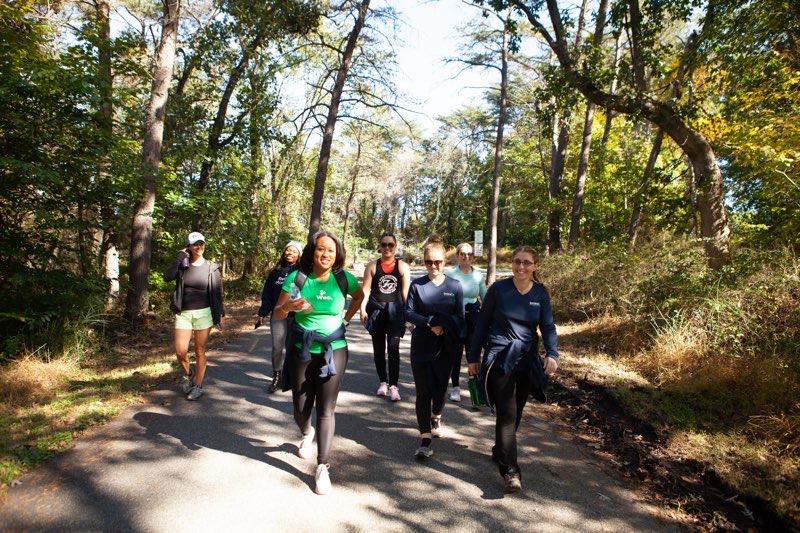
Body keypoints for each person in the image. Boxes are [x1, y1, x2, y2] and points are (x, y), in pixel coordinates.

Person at [272, 230, 364, 495]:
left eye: (331, 251)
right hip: (302, 350)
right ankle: (306, 432)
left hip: (334, 349)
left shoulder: (343, 279)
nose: (325, 254)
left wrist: (347, 318)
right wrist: (290, 307)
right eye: (321, 249)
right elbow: (279, 312)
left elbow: (358, 297)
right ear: (312, 252)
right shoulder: (297, 278)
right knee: (301, 407)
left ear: (337, 255)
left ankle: (322, 466)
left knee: (327, 408)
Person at [467, 245, 559, 493]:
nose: (521, 267)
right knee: (506, 415)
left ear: (534, 266)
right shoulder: (499, 290)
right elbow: (482, 324)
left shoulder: (540, 293)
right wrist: (473, 357)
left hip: (526, 358)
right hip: (500, 357)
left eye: (527, 262)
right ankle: (510, 471)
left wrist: (552, 353)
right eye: (517, 261)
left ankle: (500, 450)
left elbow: (548, 327)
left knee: (516, 413)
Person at [405, 236, 464, 459]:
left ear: (445, 262)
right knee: (423, 392)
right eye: (429, 262)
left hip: (445, 348)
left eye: (437, 261)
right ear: (424, 262)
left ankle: (436, 415)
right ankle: (425, 439)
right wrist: (429, 323)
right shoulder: (417, 285)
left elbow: (459, 318)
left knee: (439, 391)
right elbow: (408, 312)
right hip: (421, 345)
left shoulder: (454, 287)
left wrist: (446, 328)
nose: (433, 266)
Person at [164, 231, 225, 401]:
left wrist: (221, 314)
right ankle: (188, 374)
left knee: (199, 350)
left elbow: (217, 292)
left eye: (202, 243)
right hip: (183, 313)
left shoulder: (211, 267)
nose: (199, 247)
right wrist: (179, 257)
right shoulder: (182, 265)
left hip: (204, 313)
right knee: (180, 351)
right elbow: (167, 276)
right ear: (189, 247)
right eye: (195, 244)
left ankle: (198, 385)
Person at [359, 232, 411, 401]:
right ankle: (383, 382)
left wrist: (409, 313)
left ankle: (394, 386)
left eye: (390, 244)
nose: (387, 248)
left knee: (394, 349)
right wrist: (362, 308)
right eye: (384, 244)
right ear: (379, 247)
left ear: (395, 247)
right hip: (377, 311)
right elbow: (365, 290)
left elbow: (405, 292)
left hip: (396, 312)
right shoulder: (373, 266)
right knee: (379, 349)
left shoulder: (402, 266)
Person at [256, 240, 302, 393]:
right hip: (278, 315)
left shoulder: (302, 272)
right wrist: (262, 313)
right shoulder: (276, 271)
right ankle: (277, 375)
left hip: (296, 316)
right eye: (288, 250)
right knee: (277, 346)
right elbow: (267, 294)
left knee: (293, 347)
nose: (290, 253)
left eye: (294, 251)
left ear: (299, 255)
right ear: (284, 253)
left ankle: (290, 376)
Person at [444, 242, 487, 402]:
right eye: (462, 253)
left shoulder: (478, 275)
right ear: (457, 256)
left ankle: (476, 389)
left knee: (473, 353)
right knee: (455, 353)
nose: (466, 256)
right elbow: (444, 296)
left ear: (473, 257)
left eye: (469, 254)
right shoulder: (450, 274)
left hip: (474, 318)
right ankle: (455, 388)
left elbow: (485, 297)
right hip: (456, 318)